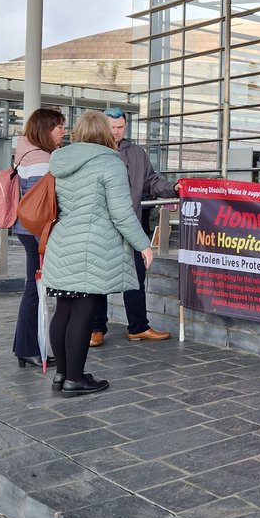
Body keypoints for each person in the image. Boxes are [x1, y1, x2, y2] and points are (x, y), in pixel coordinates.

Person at [43, 111, 154, 395]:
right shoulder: (109, 162)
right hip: (92, 245)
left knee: (64, 310)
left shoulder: (61, 159)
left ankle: (62, 375)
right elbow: (121, 213)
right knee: (83, 311)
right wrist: (143, 244)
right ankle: (75, 379)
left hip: (63, 241)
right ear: (105, 132)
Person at [90, 107, 178, 346]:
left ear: (125, 127)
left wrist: (174, 188)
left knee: (135, 277)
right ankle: (96, 328)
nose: (116, 132)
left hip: (132, 224)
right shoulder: (95, 153)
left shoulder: (137, 153)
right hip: (102, 226)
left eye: (120, 128)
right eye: (112, 128)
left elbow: (152, 183)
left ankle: (138, 327)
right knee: (100, 278)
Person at [11, 108, 66, 368]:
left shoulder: (25, 151)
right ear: (46, 129)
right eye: (59, 127)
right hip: (37, 233)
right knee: (34, 290)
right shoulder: (42, 159)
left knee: (33, 288)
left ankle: (27, 348)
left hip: (27, 231)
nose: (63, 131)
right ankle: (28, 348)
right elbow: (42, 205)